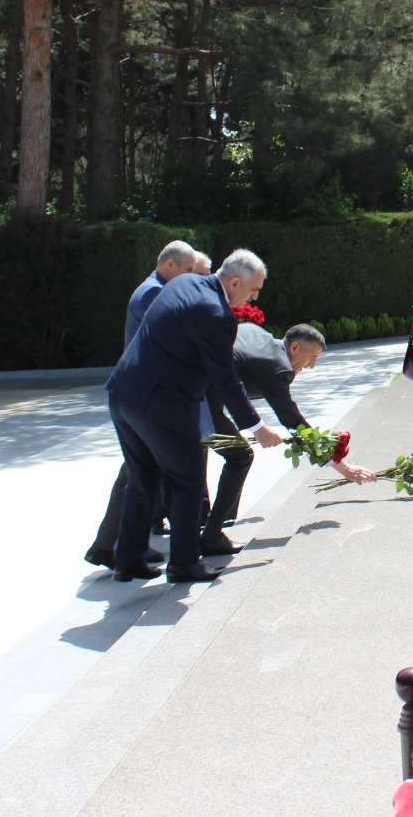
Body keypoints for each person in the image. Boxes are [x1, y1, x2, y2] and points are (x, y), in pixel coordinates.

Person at [105, 248, 285, 583]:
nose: (254, 297)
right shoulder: (218, 315)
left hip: (123, 394)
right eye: (253, 290)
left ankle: (126, 560)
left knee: (142, 480)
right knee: (188, 481)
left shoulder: (185, 282)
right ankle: (184, 564)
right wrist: (257, 427)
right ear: (234, 282)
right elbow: (226, 379)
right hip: (161, 406)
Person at [200, 322, 375, 554]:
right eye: (312, 357)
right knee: (239, 456)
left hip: (200, 387)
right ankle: (211, 536)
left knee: (199, 452)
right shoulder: (277, 369)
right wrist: (344, 468)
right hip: (199, 396)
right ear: (294, 348)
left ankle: (197, 519)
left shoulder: (258, 333)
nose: (312, 365)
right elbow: (294, 422)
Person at [84, 240, 198, 570]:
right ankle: (113, 545)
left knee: (138, 472)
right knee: (138, 473)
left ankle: (115, 545)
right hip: (146, 395)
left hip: (142, 394)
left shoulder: (155, 289)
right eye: (188, 270)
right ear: (170, 265)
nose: (191, 278)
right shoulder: (153, 293)